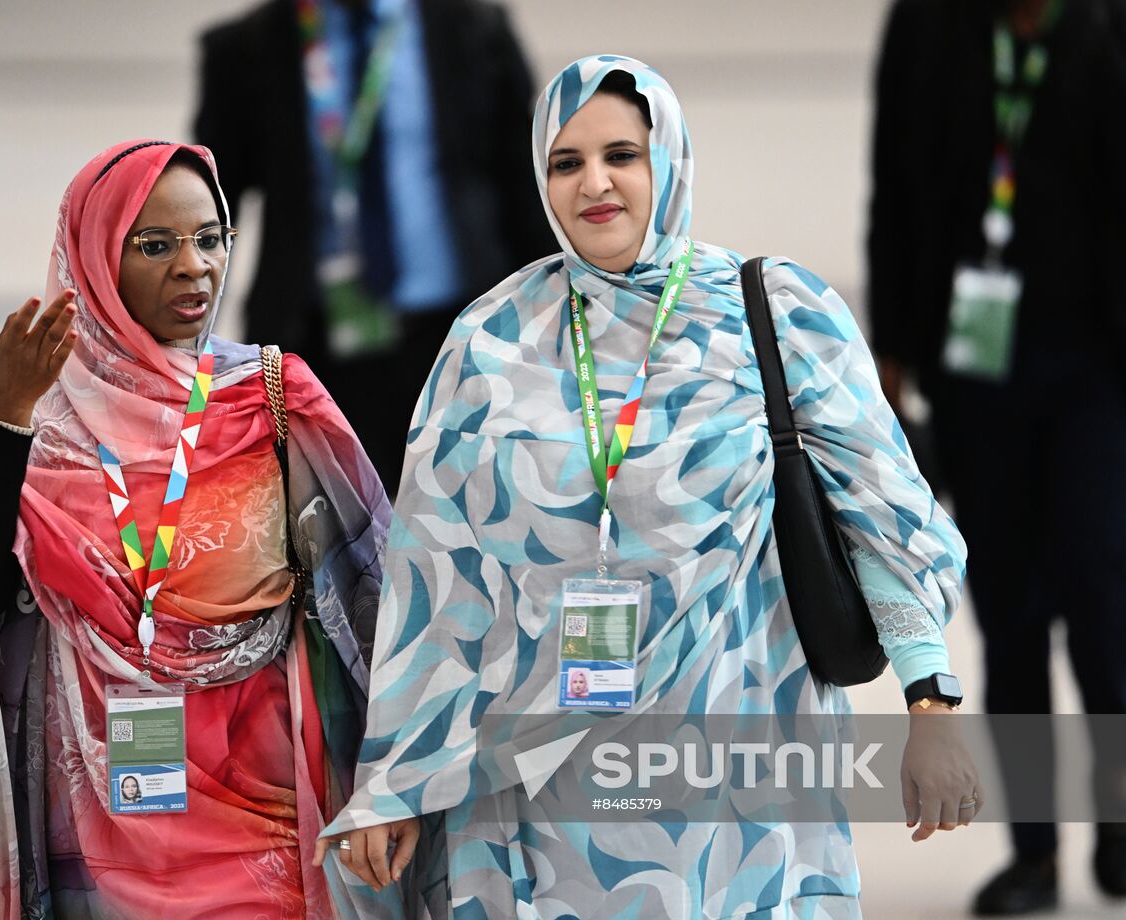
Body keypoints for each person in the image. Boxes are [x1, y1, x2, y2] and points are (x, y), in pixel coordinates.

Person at [312, 56, 980, 917]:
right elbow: (437, 576)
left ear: (668, 158)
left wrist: (931, 701)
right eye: (566, 161)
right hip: (542, 784)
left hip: (744, 776)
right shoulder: (490, 340)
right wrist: (399, 777)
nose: (596, 183)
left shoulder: (773, 314)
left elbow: (873, 523)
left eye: (622, 154)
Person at [0, 139, 399, 919]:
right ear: (93, 258)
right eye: (155, 245)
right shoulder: (38, 416)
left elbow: (378, 598)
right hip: (97, 830)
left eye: (210, 238)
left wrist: (393, 779)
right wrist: (8, 421)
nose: (194, 265)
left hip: (261, 819)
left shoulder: (271, 399)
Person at [868, 1, 1126, 913]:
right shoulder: (931, 23)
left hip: (1098, 364)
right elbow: (895, 179)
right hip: (974, 365)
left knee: (1104, 594)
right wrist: (889, 352)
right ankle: (1034, 852)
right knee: (1009, 609)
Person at [192, 0, 555, 493]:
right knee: (327, 542)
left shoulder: (472, 27)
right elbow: (210, 210)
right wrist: (182, 350)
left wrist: (558, 329)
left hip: (464, 339)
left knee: (476, 516)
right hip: (315, 352)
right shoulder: (248, 46)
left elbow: (524, 193)